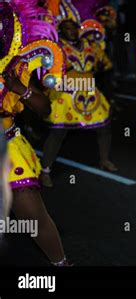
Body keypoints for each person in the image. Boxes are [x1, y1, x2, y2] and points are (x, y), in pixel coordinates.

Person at [0, 0, 70, 266]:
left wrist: (19, 89)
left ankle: (61, 263)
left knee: (33, 217)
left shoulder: (13, 65)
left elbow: (44, 108)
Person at [40, 0, 118, 188]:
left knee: (104, 128)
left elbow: (105, 65)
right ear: (60, 31)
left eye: (74, 27)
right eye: (66, 28)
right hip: (66, 93)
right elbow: (46, 71)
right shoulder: (56, 49)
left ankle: (104, 159)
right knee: (58, 133)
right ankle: (45, 171)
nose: (71, 30)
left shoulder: (90, 44)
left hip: (89, 92)